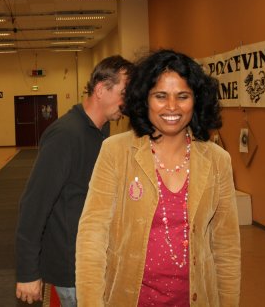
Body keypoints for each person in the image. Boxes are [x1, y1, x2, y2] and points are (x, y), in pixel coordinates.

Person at [76, 49, 241, 306]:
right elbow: (92, 236)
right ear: (144, 99)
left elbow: (226, 246)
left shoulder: (218, 160)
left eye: (183, 96)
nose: (172, 107)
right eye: (160, 96)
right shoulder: (116, 152)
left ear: (196, 100)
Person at [15, 55, 134, 306]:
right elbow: (34, 204)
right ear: (101, 89)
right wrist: (27, 272)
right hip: (73, 266)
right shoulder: (65, 135)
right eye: (124, 93)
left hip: (96, 257)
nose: (128, 102)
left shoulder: (100, 132)